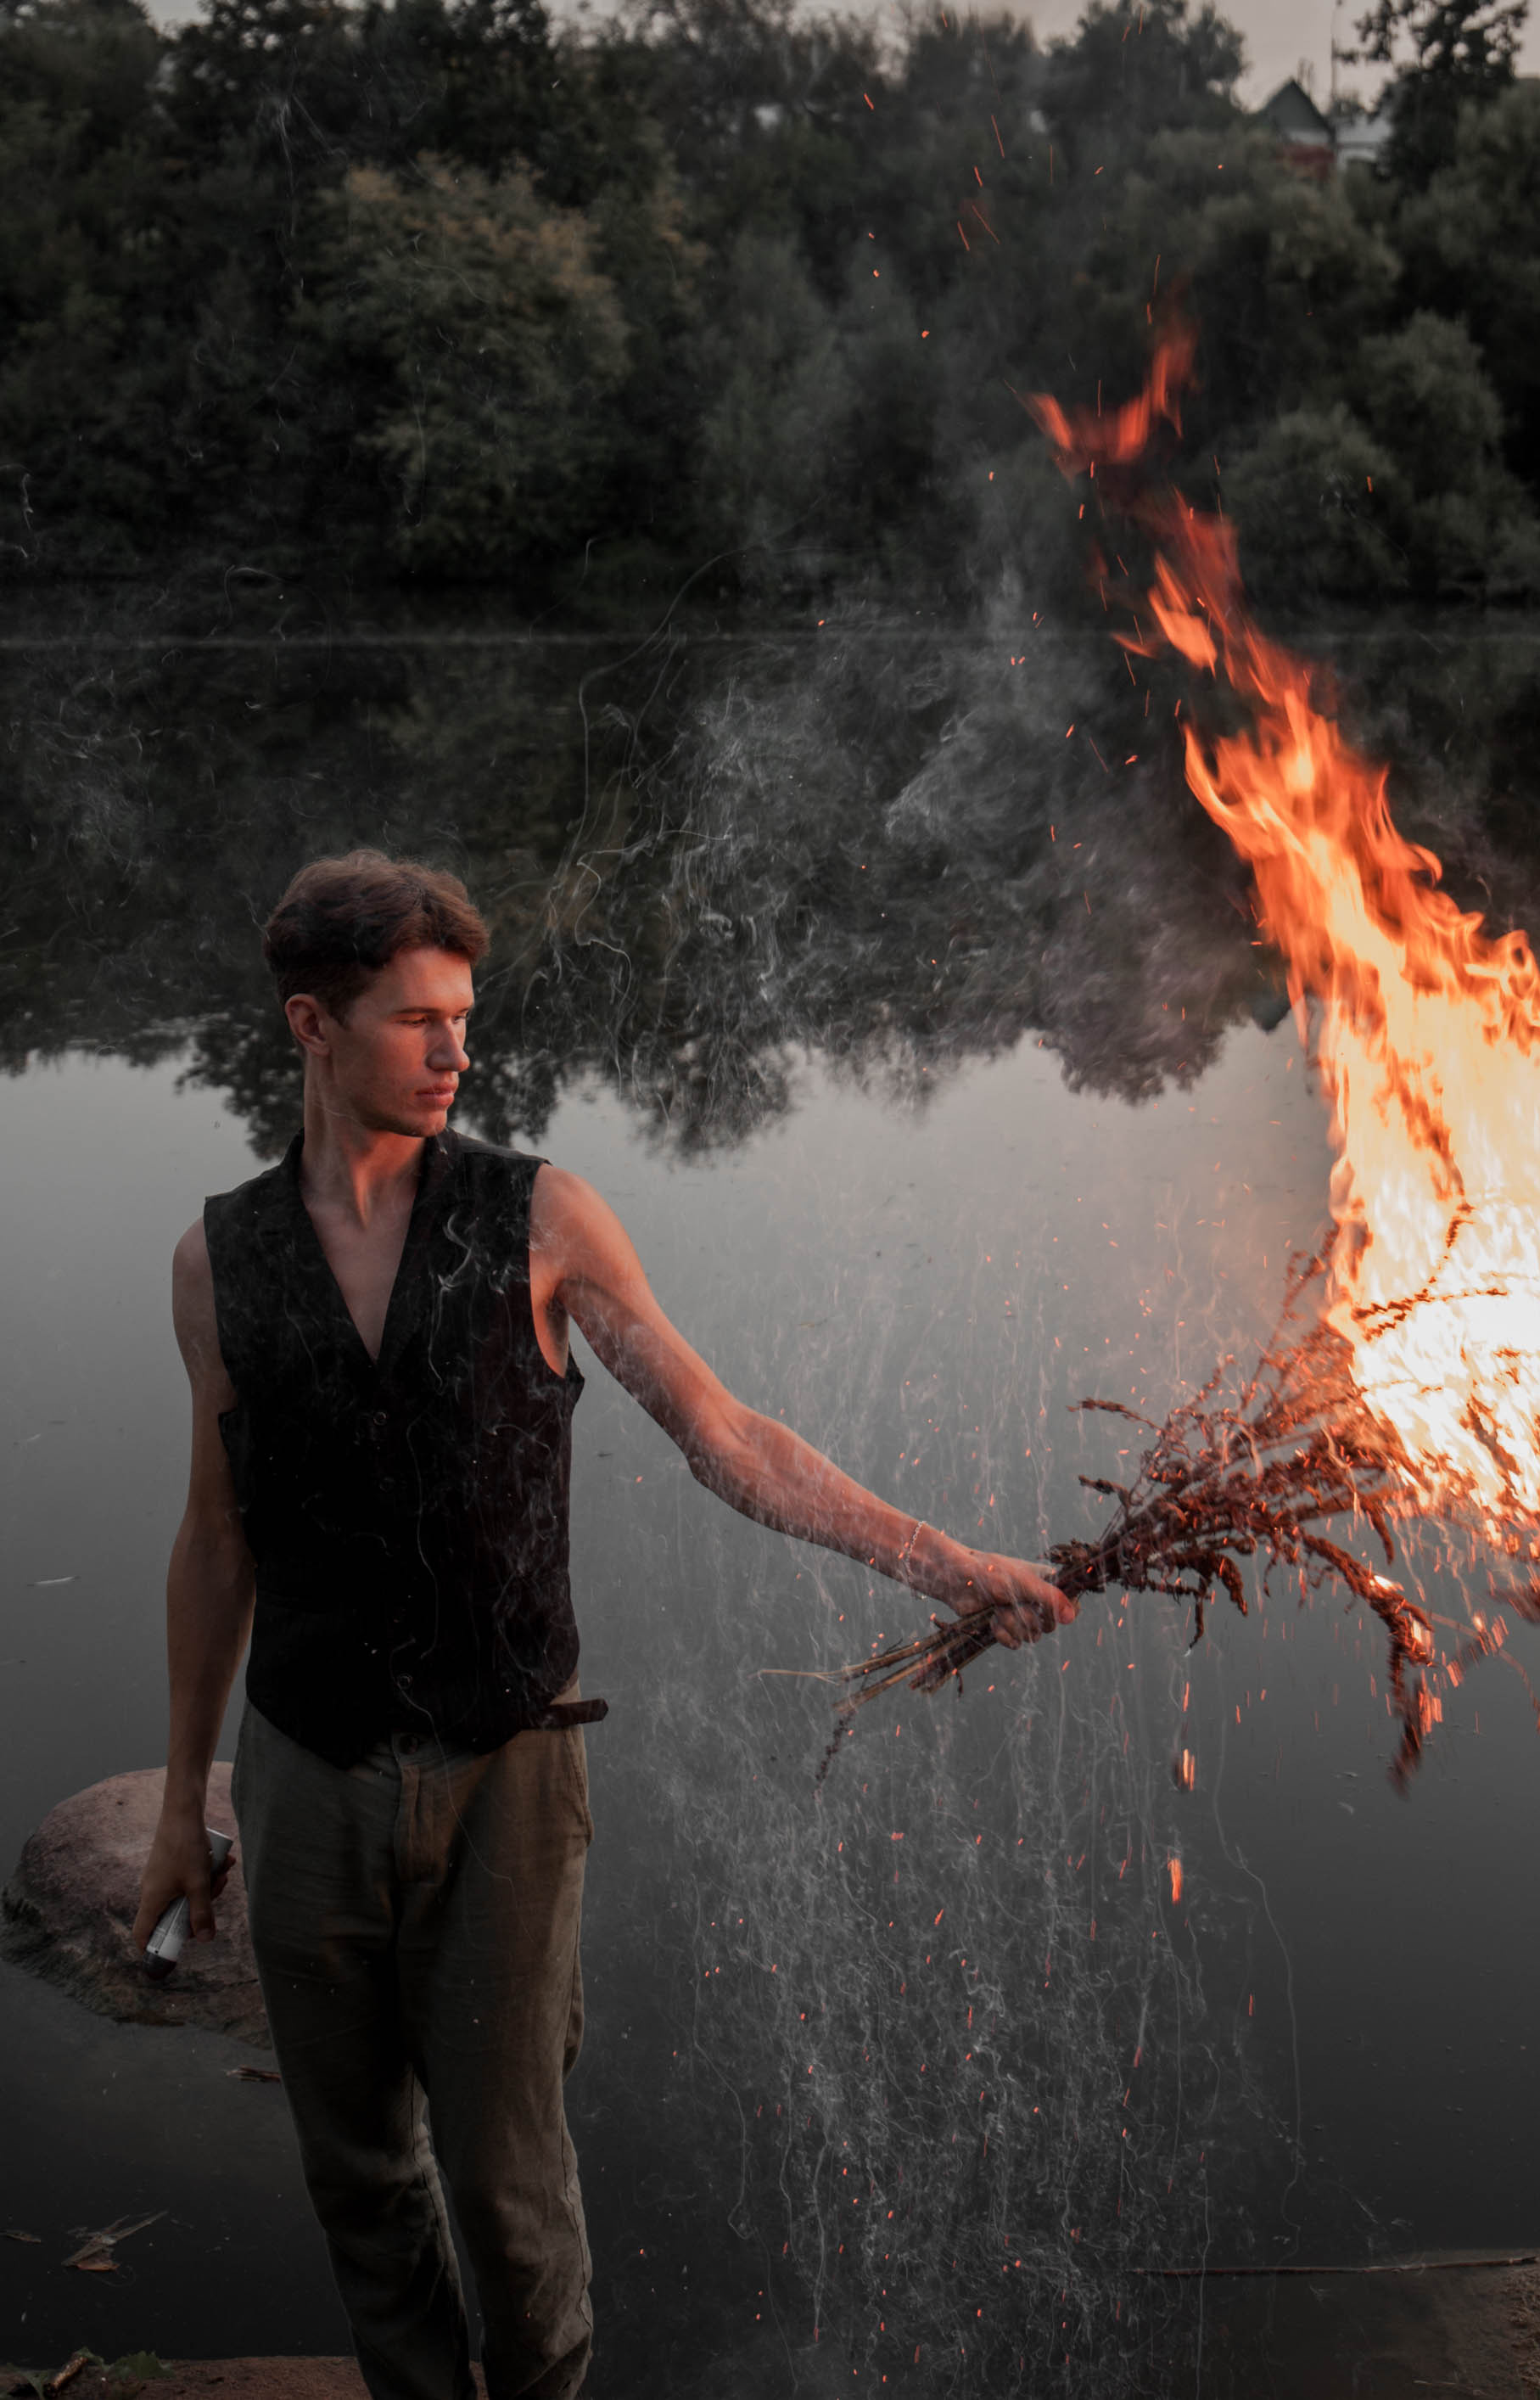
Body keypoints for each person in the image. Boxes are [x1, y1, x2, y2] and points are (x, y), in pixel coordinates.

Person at [133, 850, 1074, 2400]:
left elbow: (727, 1437)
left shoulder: (540, 1217)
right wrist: (185, 1801)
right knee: (358, 2174)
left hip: (507, 1772)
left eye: (465, 1016)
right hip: (304, 1773)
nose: (456, 1051)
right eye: (416, 1020)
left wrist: (948, 1563)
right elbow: (216, 1537)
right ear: (310, 1024)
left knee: (509, 2193)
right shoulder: (216, 1262)